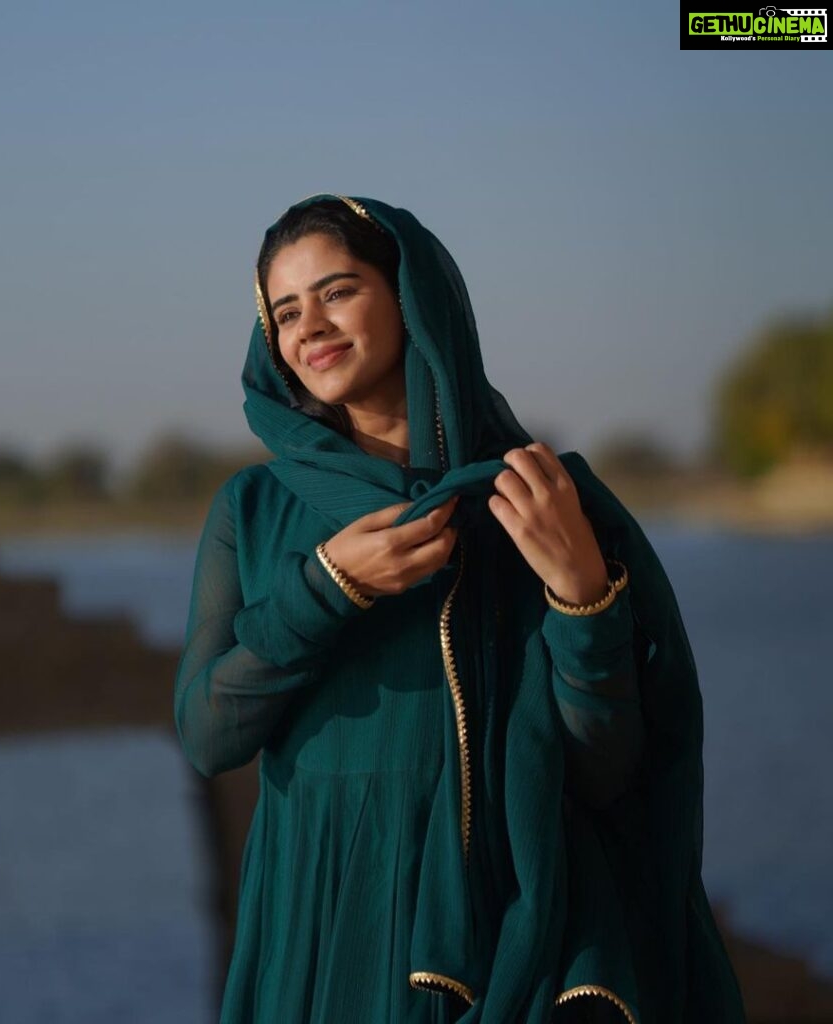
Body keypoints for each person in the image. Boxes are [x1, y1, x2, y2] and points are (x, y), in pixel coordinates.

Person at [174, 194, 745, 1023]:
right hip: (323, 911)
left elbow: (609, 768)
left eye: (337, 291)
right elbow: (207, 732)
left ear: (413, 298)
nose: (309, 327)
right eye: (285, 311)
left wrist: (581, 598)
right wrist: (327, 587)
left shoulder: (535, 495)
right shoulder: (255, 511)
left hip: (502, 916)